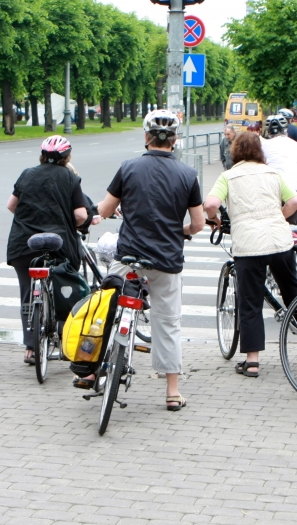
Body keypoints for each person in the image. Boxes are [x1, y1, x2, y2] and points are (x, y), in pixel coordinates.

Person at [96, 109, 205, 411]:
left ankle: (93, 367)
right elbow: (198, 224)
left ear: (146, 137)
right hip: (166, 259)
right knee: (168, 322)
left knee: (105, 306)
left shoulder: (128, 167)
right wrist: (180, 230)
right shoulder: (187, 175)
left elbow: (105, 210)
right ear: (175, 141)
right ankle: (172, 392)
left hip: (129, 255)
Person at [204, 131, 297, 378]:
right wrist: (276, 218)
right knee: (292, 290)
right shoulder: (274, 173)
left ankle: (253, 361)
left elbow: (210, 204)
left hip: (249, 246)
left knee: (250, 302)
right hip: (280, 241)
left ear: (235, 151)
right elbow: (295, 203)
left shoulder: (228, 176)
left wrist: (213, 219)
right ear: (261, 151)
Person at [7, 135, 93, 365]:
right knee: (66, 289)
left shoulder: (27, 174)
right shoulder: (70, 177)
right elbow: (81, 215)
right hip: (60, 243)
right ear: (67, 157)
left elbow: (11, 206)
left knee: (28, 292)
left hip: (24, 242)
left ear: (42, 155)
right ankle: (66, 343)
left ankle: (31, 348)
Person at [261, 114, 297, 225]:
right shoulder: (295, 145)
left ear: (268, 132)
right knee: (290, 229)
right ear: (286, 130)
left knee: (269, 227)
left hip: (275, 191)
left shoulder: (264, 145)